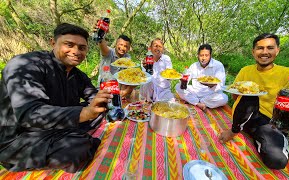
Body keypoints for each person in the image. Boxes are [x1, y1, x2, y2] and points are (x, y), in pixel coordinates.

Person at [0, 23, 113, 173]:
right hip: (20, 138)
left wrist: (103, 99)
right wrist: (84, 113)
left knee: (99, 111)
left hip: (56, 127)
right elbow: (30, 114)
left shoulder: (77, 74)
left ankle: (75, 136)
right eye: (69, 44)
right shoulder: (25, 65)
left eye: (81, 48)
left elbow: (93, 96)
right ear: (53, 43)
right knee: (77, 148)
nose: (75, 51)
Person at [218, 33, 289, 169]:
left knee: (277, 161)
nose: (265, 52)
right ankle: (235, 130)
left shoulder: (288, 73)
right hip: (243, 118)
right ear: (253, 52)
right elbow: (235, 96)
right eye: (260, 48)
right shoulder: (245, 71)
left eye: (270, 48)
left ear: (277, 50)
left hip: (269, 123)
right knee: (249, 95)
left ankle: (271, 139)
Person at [175, 44, 228, 111]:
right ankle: (198, 103)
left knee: (224, 98)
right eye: (201, 55)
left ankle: (196, 101)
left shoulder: (218, 65)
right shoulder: (194, 66)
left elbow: (221, 85)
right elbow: (186, 81)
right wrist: (182, 79)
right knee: (178, 86)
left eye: (206, 55)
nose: (204, 58)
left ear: (210, 56)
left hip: (210, 94)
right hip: (195, 91)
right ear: (198, 55)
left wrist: (212, 85)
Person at [97, 34, 135, 100]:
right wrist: (101, 36)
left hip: (118, 89)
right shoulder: (109, 52)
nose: (122, 48)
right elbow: (102, 45)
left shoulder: (127, 58)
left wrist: (126, 91)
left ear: (129, 48)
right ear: (116, 44)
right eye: (121, 44)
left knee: (132, 93)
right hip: (105, 87)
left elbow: (129, 77)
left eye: (126, 46)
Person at [140, 38, 175, 102]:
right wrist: (146, 68)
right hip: (149, 89)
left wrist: (171, 76)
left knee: (170, 103)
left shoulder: (166, 59)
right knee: (148, 83)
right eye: (155, 46)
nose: (158, 48)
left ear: (163, 49)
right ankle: (149, 101)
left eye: (160, 47)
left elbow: (169, 74)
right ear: (150, 48)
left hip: (163, 90)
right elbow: (144, 79)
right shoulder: (145, 60)